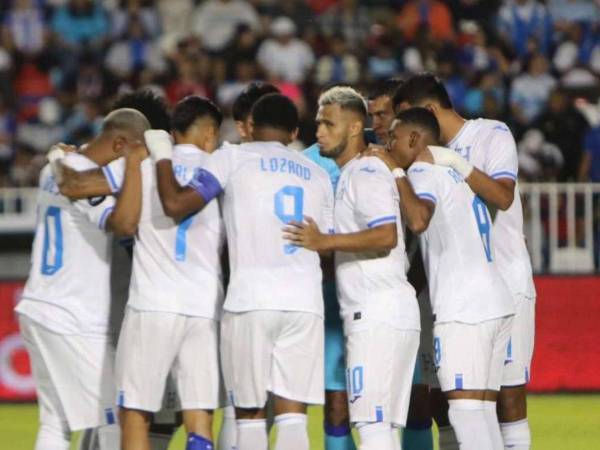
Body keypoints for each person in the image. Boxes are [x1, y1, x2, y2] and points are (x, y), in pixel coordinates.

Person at [148, 93, 334, 450]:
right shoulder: (317, 173)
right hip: (304, 303)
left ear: (251, 126)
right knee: (293, 416)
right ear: (295, 131)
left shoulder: (231, 157)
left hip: (251, 301)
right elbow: (325, 244)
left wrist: (161, 155)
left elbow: (177, 204)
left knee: (249, 415)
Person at [393, 74, 536, 450]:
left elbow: (503, 197)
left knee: (504, 401)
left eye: (405, 120)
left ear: (427, 111)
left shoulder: (491, 134)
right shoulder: (426, 160)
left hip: (505, 279)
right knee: (462, 404)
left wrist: (454, 161)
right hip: (462, 291)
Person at [367, 106, 515, 450]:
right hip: (494, 302)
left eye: (393, 138)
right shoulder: (456, 175)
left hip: (465, 309)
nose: (388, 146)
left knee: (464, 412)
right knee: (481, 411)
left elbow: (419, 219)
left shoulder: (423, 170)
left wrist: (395, 172)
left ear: (414, 139)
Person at [284, 86, 420, 450]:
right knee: (382, 429)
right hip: (385, 312)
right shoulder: (355, 172)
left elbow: (386, 234)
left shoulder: (366, 171)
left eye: (329, 124)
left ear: (356, 127)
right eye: (318, 123)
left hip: (376, 314)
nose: (319, 131)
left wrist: (324, 241)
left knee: (372, 426)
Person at [53, 90, 180, 450]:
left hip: (121, 325)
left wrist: (61, 158)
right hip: (169, 322)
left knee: (115, 424)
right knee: (155, 423)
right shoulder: (175, 178)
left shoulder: (117, 176)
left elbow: (76, 186)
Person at [16, 108, 150, 450]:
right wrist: (134, 167)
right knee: (113, 420)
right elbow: (124, 224)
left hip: (39, 305)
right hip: (73, 316)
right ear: (120, 144)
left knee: (55, 423)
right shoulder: (83, 178)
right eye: (135, 152)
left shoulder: (54, 168)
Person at [115, 96, 225, 450]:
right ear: (210, 134)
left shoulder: (146, 166)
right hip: (203, 306)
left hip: (153, 304)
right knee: (199, 415)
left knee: (136, 412)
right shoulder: (223, 170)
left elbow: (118, 218)